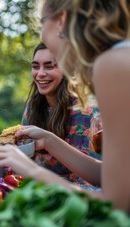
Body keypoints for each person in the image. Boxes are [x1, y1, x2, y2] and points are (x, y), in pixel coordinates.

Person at [0, 0, 130, 213]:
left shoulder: (113, 64)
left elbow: (116, 206)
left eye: (42, 22)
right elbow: (108, 176)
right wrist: (48, 140)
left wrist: (35, 172)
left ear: (61, 21)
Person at [22, 42, 101, 187]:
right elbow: (26, 159)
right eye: (35, 66)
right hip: (37, 188)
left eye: (49, 66)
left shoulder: (86, 111)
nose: (40, 73)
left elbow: (89, 179)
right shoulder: (33, 106)